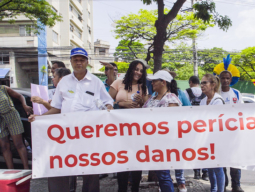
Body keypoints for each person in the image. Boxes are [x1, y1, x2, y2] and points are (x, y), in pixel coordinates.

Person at [29, 47, 114, 192]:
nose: (79, 63)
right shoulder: (64, 82)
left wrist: (108, 113)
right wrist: (39, 118)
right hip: (67, 134)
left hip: (89, 133)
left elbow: (108, 102)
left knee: (90, 170)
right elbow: (56, 108)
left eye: (82, 60)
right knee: (62, 166)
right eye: (75, 60)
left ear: (87, 62)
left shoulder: (96, 82)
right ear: (71, 62)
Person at [108, 60, 148, 192]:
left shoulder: (143, 87)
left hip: (137, 130)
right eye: (136, 69)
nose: (138, 73)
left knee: (137, 160)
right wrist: (120, 104)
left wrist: (142, 101)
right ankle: (122, 189)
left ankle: (135, 188)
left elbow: (147, 108)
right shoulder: (118, 82)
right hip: (119, 129)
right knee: (122, 159)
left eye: (141, 71)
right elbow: (106, 103)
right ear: (131, 69)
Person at [143, 70, 182, 192]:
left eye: (155, 81)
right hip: (153, 143)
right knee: (161, 175)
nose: (152, 83)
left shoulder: (171, 99)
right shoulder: (152, 98)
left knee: (164, 175)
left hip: (165, 144)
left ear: (163, 82)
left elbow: (172, 123)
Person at [219, 70, 244, 192]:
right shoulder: (216, 94)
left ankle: (236, 185)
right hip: (219, 133)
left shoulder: (236, 93)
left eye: (227, 78)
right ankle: (223, 183)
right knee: (222, 159)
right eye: (223, 78)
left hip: (234, 133)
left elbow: (242, 112)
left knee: (235, 159)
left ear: (231, 79)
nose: (225, 80)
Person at [200, 74, 225, 192]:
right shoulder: (203, 101)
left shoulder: (218, 101)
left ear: (213, 85)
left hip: (217, 139)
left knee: (218, 167)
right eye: (201, 83)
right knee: (210, 166)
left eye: (205, 83)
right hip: (206, 138)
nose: (202, 85)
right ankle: (213, 189)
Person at [0, 85, 33, 169]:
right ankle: (11, 170)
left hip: (12, 116)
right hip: (1, 120)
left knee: (18, 144)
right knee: (4, 146)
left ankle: (26, 169)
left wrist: (24, 105)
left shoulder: (3, 88)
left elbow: (20, 96)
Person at [183, 76, 208, 180]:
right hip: (204, 123)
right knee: (205, 148)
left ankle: (197, 172)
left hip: (191, 125)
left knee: (194, 148)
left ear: (190, 82)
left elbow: (184, 107)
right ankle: (206, 173)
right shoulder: (205, 91)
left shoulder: (186, 92)